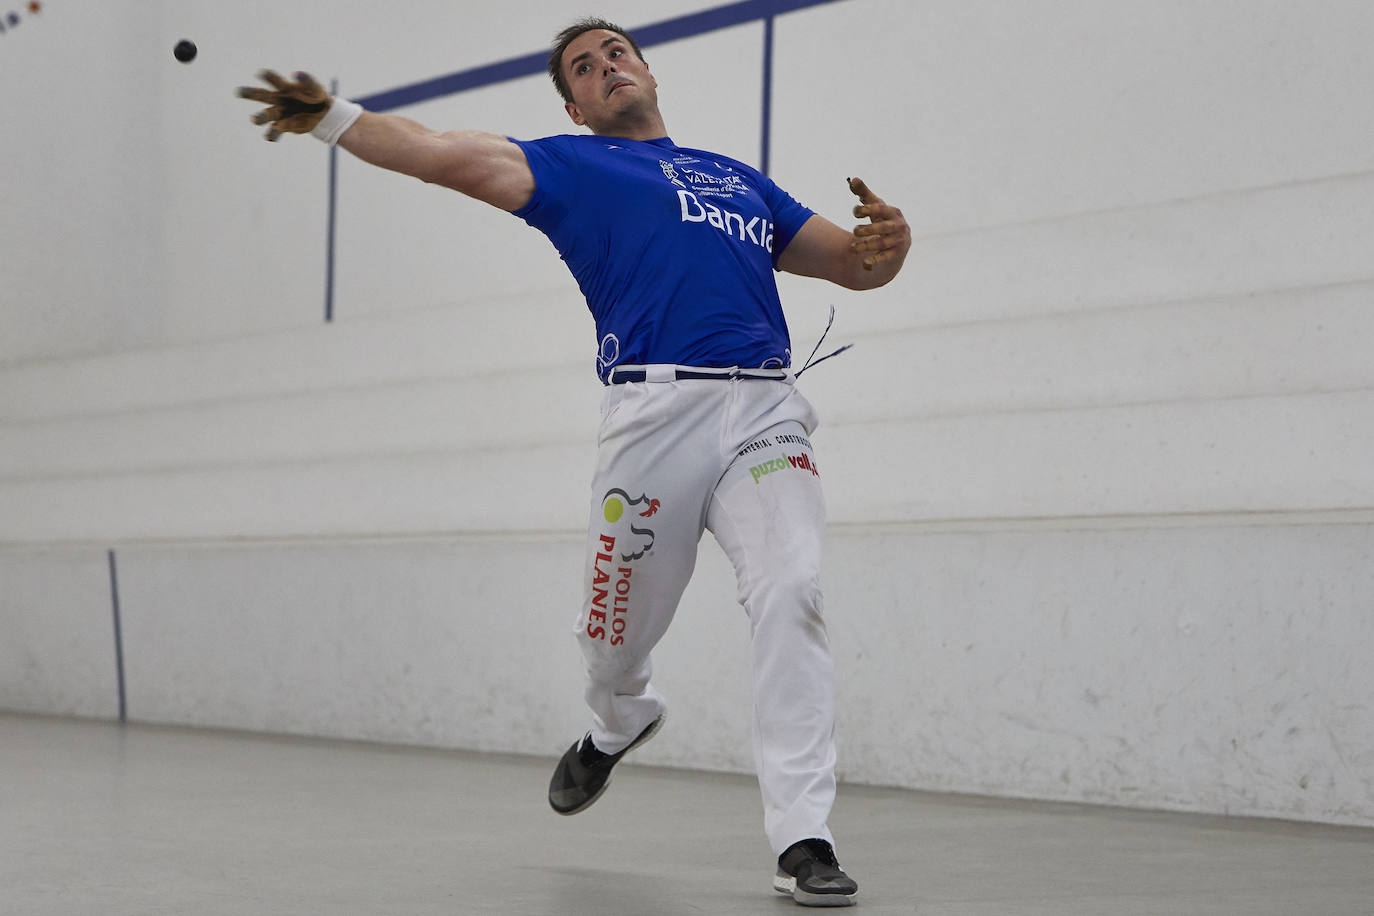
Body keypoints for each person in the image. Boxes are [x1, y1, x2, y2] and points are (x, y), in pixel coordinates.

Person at [238, 16, 909, 907]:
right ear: (576, 106)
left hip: (764, 412)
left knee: (795, 593)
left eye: (616, 53)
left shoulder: (740, 180)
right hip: (651, 417)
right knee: (612, 639)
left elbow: (855, 267)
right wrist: (332, 117)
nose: (606, 68)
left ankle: (805, 840)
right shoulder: (569, 167)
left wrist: (890, 244)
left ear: (646, 70)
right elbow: (438, 150)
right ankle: (618, 718)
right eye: (585, 69)